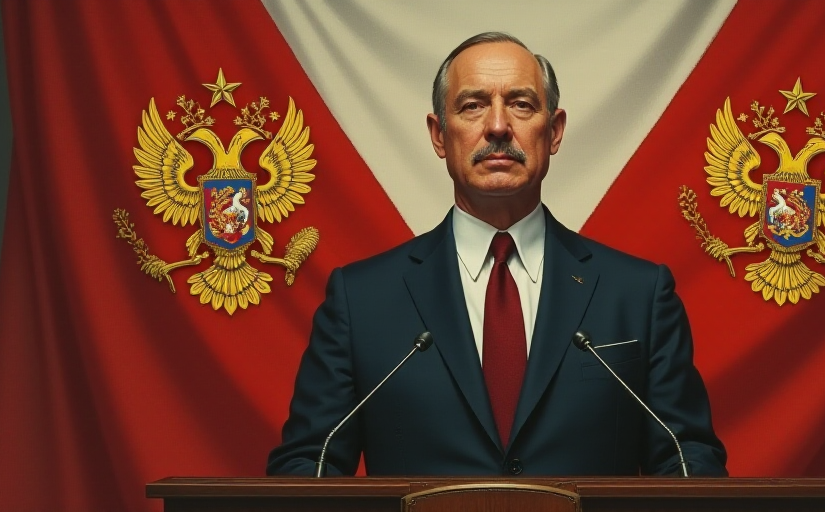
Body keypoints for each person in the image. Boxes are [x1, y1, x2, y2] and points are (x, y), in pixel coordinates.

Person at [267, 32, 727, 477]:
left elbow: (688, 463)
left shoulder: (639, 295)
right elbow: (309, 466)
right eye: (472, 105)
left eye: (522, 104)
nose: (499, 126)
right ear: (439, 135)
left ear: (555, 131)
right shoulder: (361, 300)